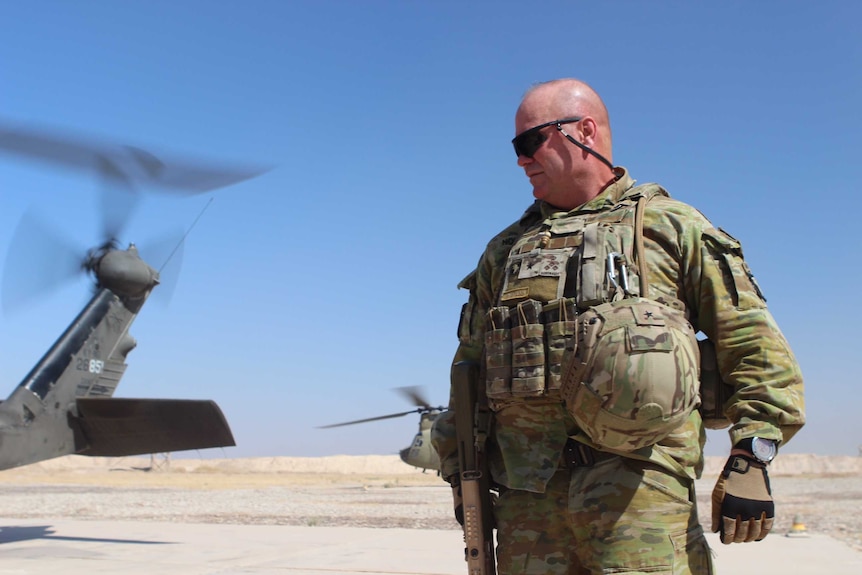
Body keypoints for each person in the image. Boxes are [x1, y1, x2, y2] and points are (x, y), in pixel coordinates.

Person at [431, 78, 805, 575]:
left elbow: (752, 344)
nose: (521, 160)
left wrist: (752, 455)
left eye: (530, 142)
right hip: (527, 504)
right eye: (515, 147)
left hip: (640, 498)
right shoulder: (504, 251)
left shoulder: (671, 227)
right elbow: (471, 369)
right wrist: (462, 473)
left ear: (584, 131)